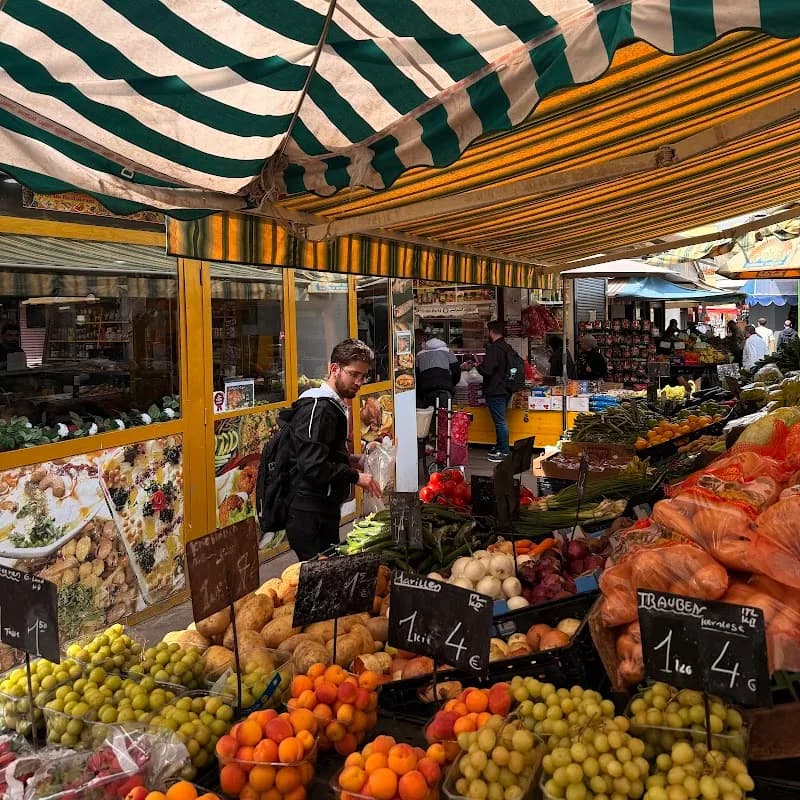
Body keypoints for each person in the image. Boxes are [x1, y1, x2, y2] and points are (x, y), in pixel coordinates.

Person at [282, 338, 381, 560]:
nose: (359, 382)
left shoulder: (333, 404)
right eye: (353, 374)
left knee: (330, 570)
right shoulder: (319, 409)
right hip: (308, 512)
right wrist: (355, 476)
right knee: (318, 577)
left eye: (363, 376)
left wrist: (355, 459)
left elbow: (323, 453)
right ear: (334, 369)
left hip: (323, 507)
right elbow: (312, 465)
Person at [477, 320, 512, 463]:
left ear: (491, 331)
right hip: (504, 388)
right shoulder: (506, 347)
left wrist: (478, 366)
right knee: (500, 420)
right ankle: (499, 446)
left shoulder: (493, 349)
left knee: (500, 422)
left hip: (495, 389)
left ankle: (504, 451)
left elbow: (488, 371)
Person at [415, 335, 461, 409]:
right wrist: (453, 383)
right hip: (445, 386)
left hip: (426, 387)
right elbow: (456, 371)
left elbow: (417, 374)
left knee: (429, 411)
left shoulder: (419, 354)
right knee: (445, 412)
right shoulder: (448, 351)